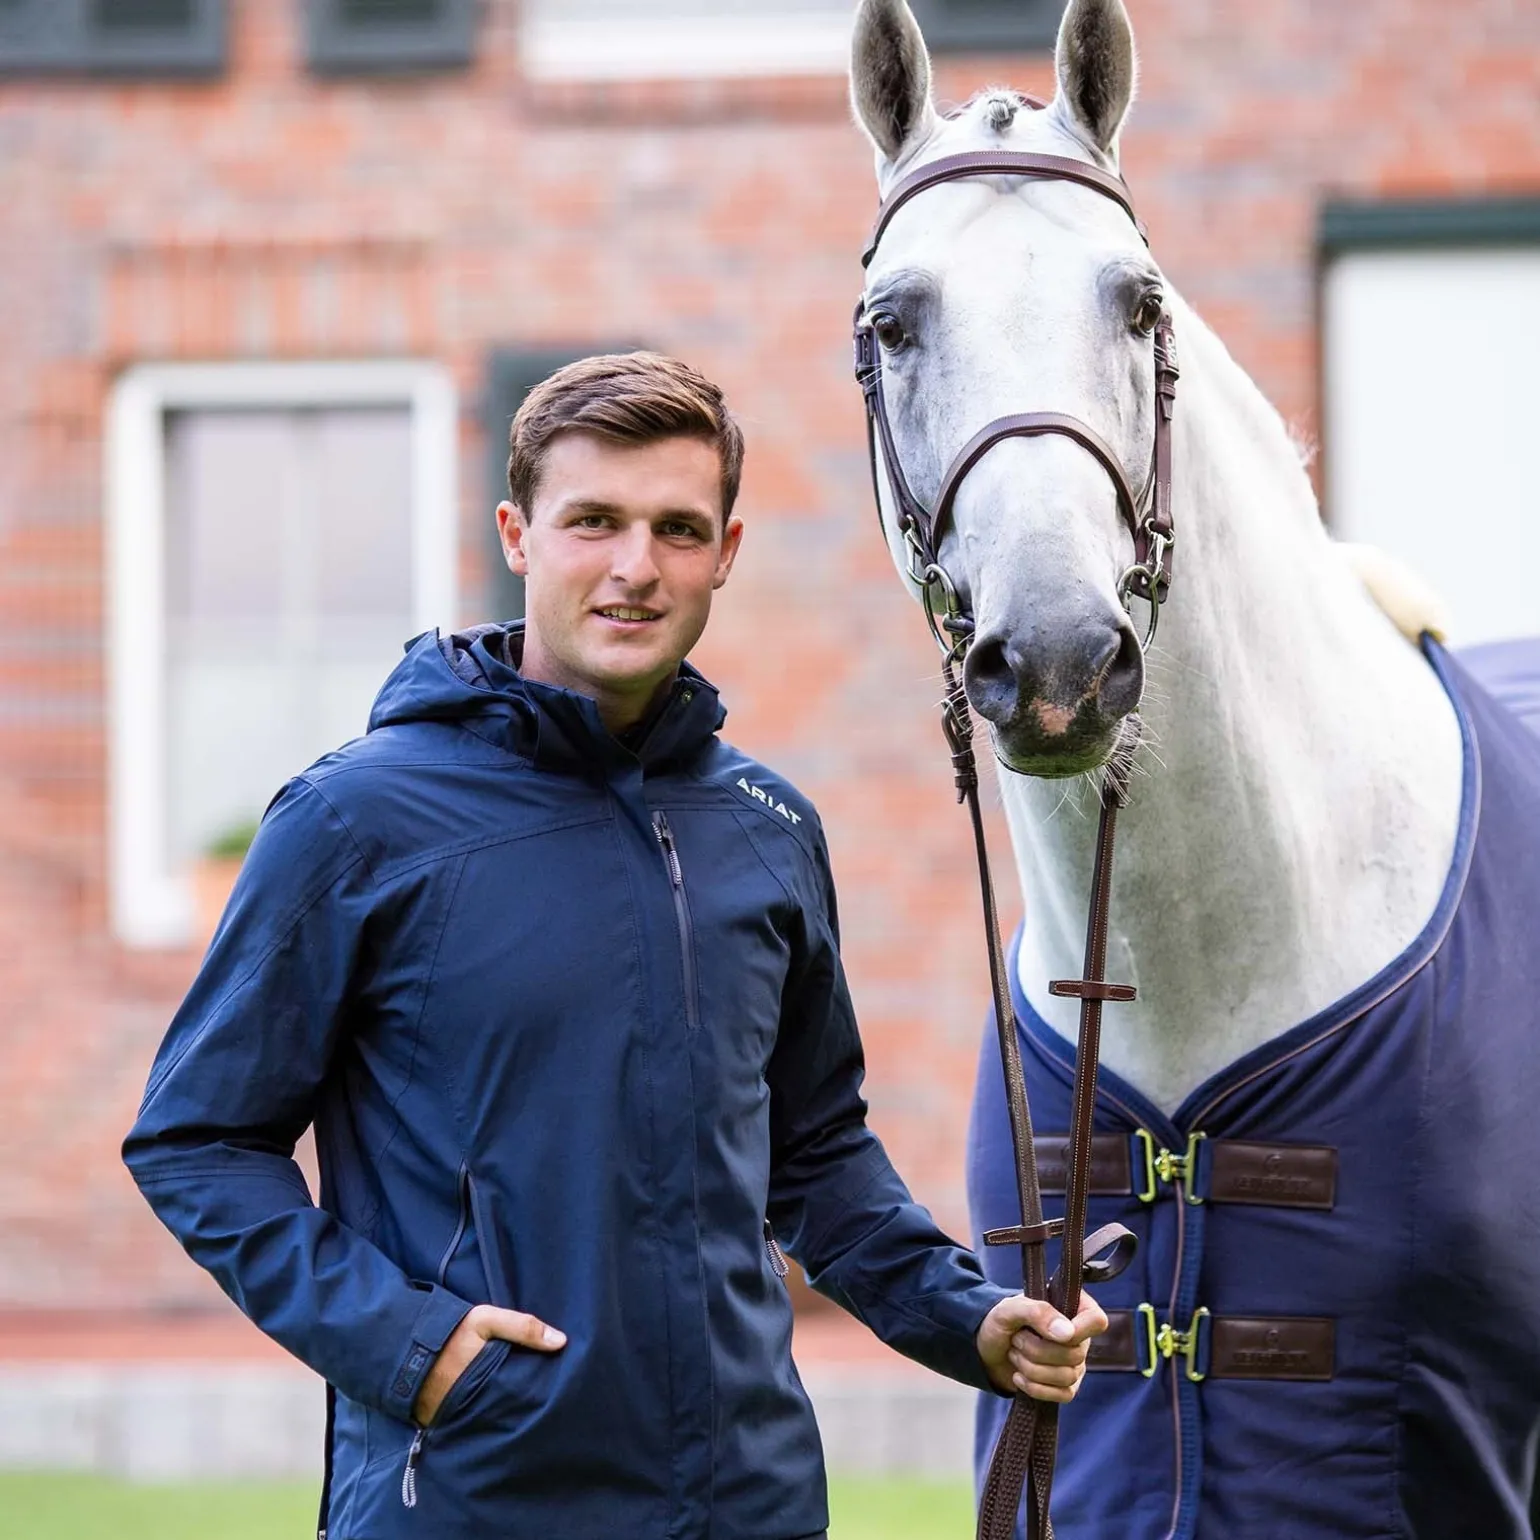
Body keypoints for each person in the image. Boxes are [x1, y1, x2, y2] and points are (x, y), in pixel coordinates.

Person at [123, 352, 1107, 1540]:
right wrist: (413, 1347)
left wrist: (965, 1315)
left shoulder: (770, 829)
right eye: (593, 520)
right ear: (517, 533)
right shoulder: (355, 822)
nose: (636, 567)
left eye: (677, 529)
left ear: (725, 554)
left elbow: (815, 1159)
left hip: (752, 1502)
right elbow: (197, 1141)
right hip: (472, 1500)